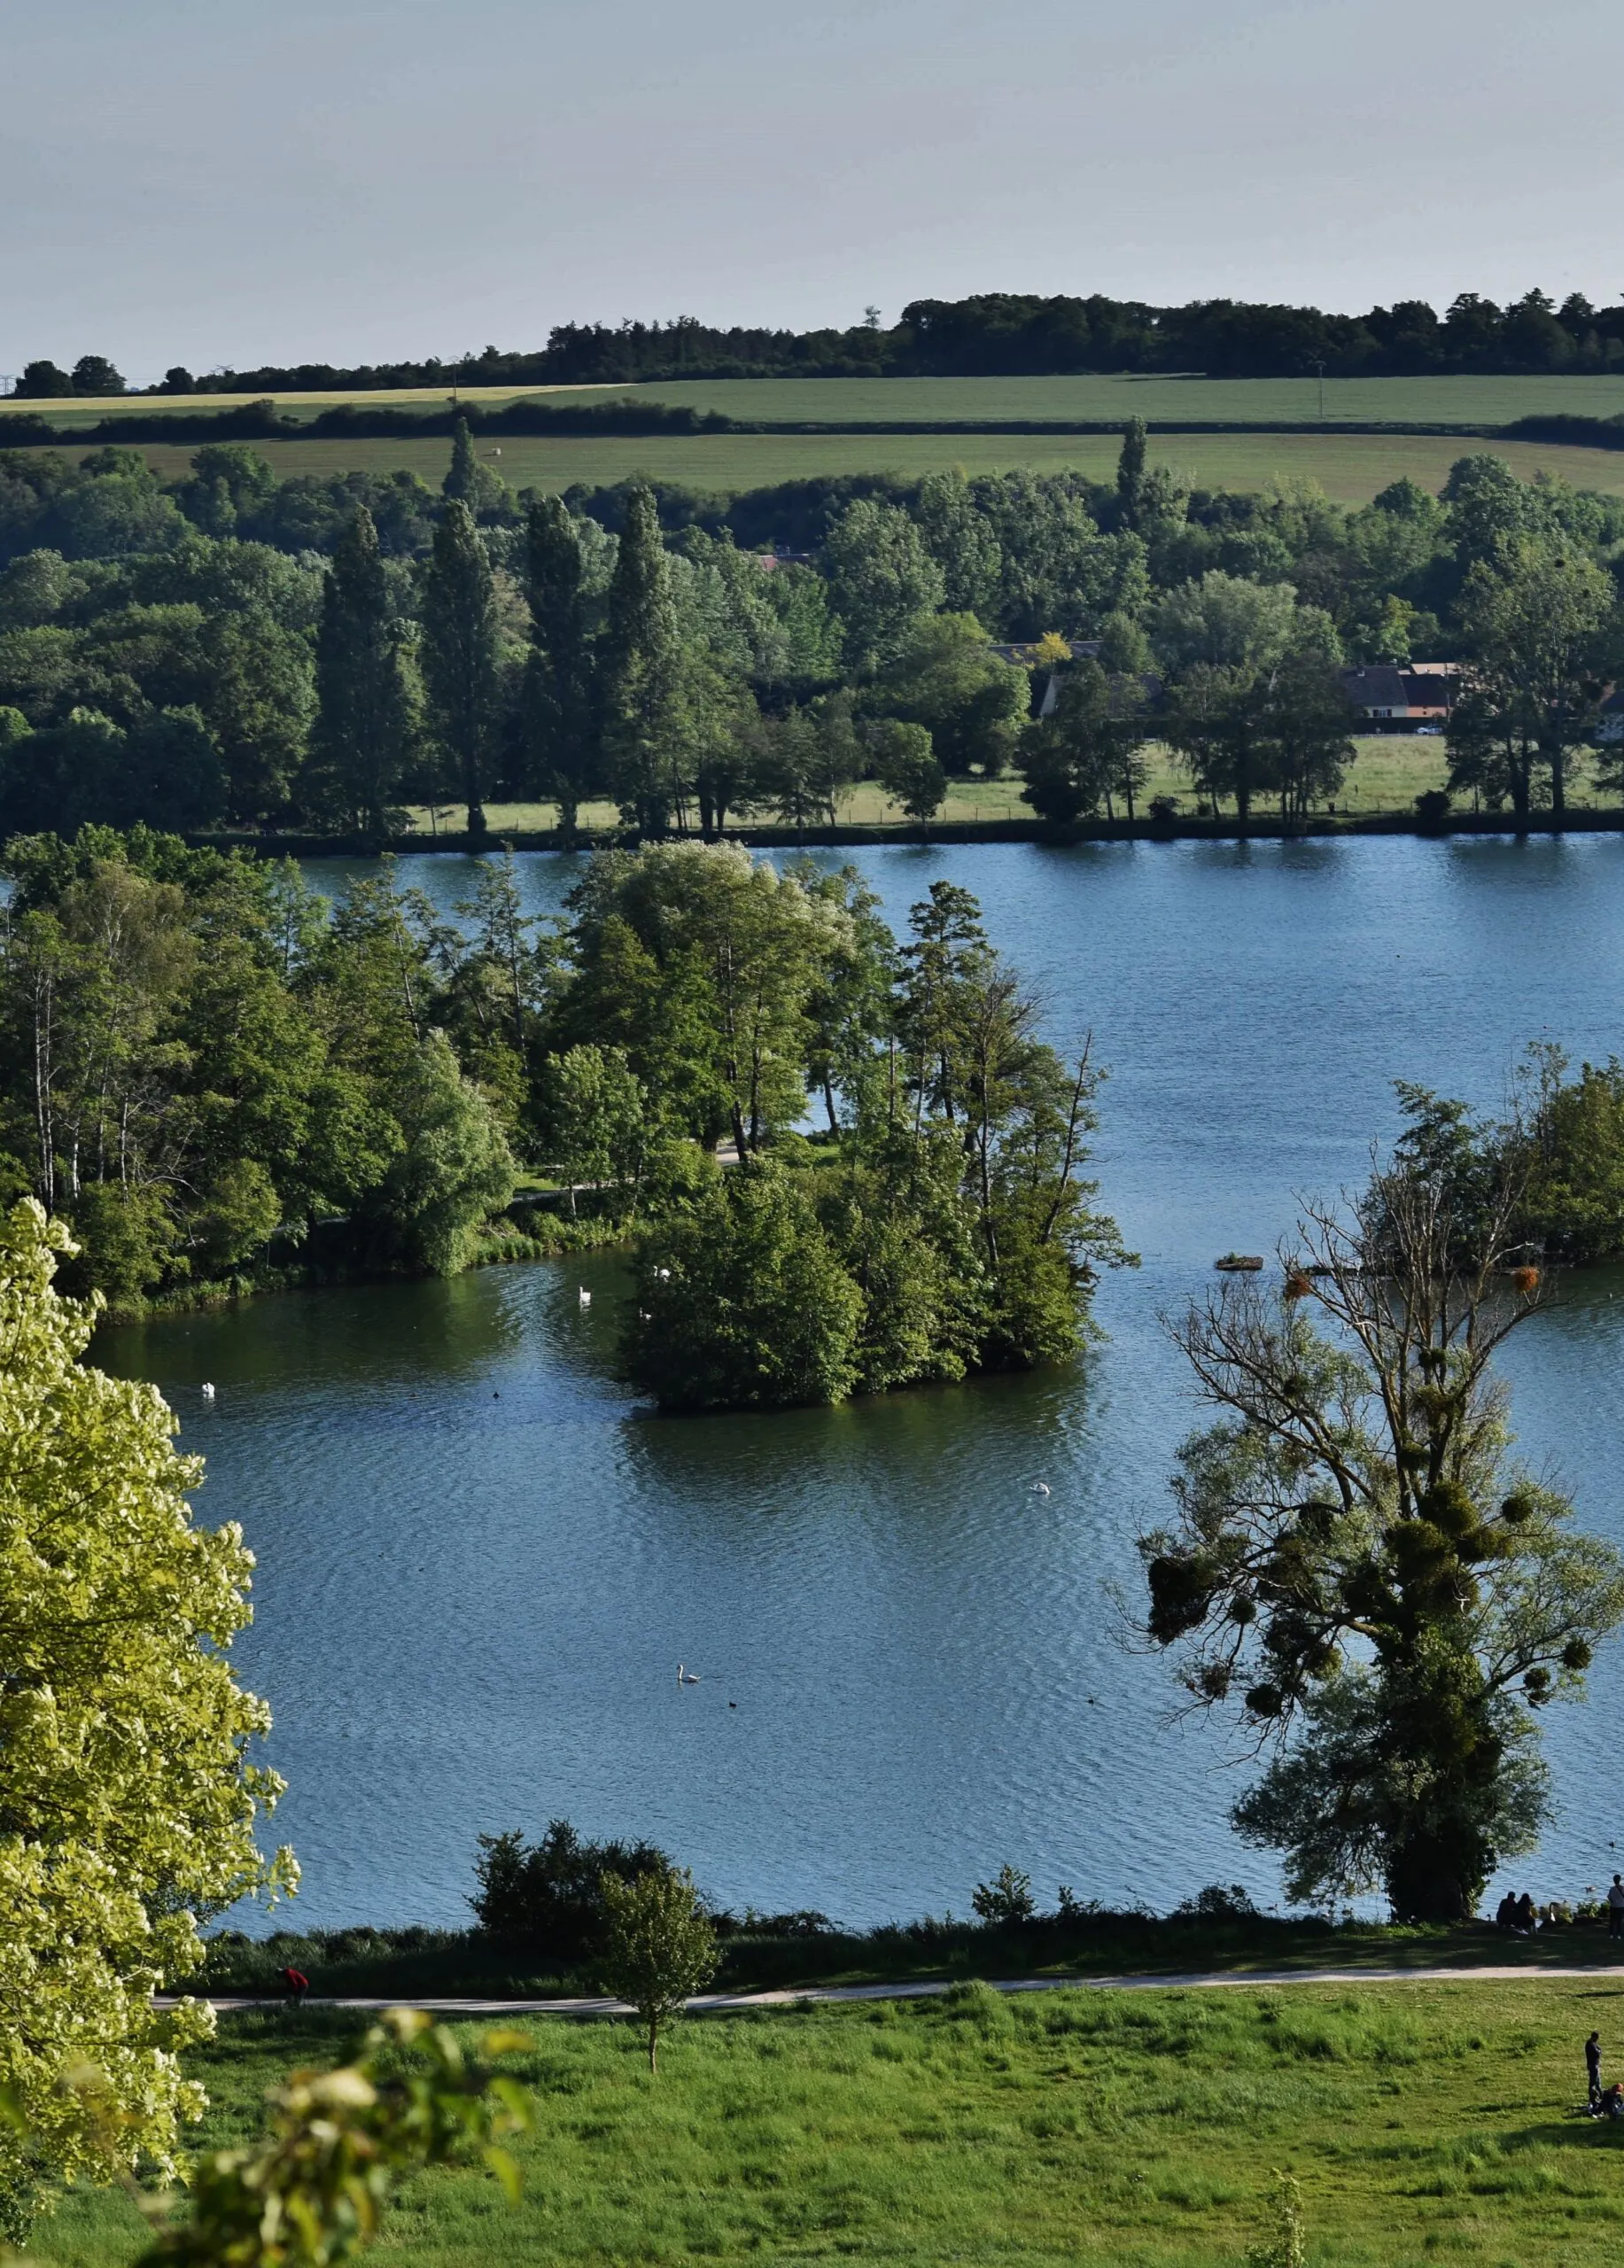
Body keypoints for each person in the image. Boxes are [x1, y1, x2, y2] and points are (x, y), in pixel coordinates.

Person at [1588, 2031, 1603, 2109]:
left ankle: (1600, 2096)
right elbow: (1598, 2053)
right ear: (1594, 2037)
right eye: (1596, 2038)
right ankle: (1592, 2098)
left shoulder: (1591, 2044)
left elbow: (1599, 2049)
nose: (1597, 2040)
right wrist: (1599, 2051)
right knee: (1594, 2083)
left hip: (1594, 2066)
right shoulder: (1591, 2045)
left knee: (1597, 2082)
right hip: (1594, 2066)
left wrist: (1599, 2050)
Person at [1608, 1875, 1624, 1942]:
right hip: (1621, 1906)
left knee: (1612, 1920)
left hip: (1613, 1906)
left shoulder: (1612, 1889)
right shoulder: (1623, 1888)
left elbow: (1609, 1897)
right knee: (1619, 1921)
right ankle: (1618, 1935)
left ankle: (1611, 1934)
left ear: (1614, 1881)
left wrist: (1613, 1901)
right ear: (1619, 1880)